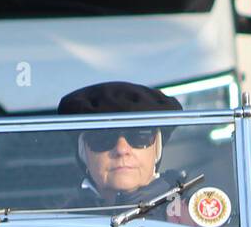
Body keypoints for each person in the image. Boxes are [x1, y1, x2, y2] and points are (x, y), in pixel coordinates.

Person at [57, 81, 186, 211]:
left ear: (156, 150)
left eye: (139, 135)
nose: (121, 149)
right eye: (103, 138)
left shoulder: (191, 216)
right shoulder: (61, 224)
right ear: (83, 154)